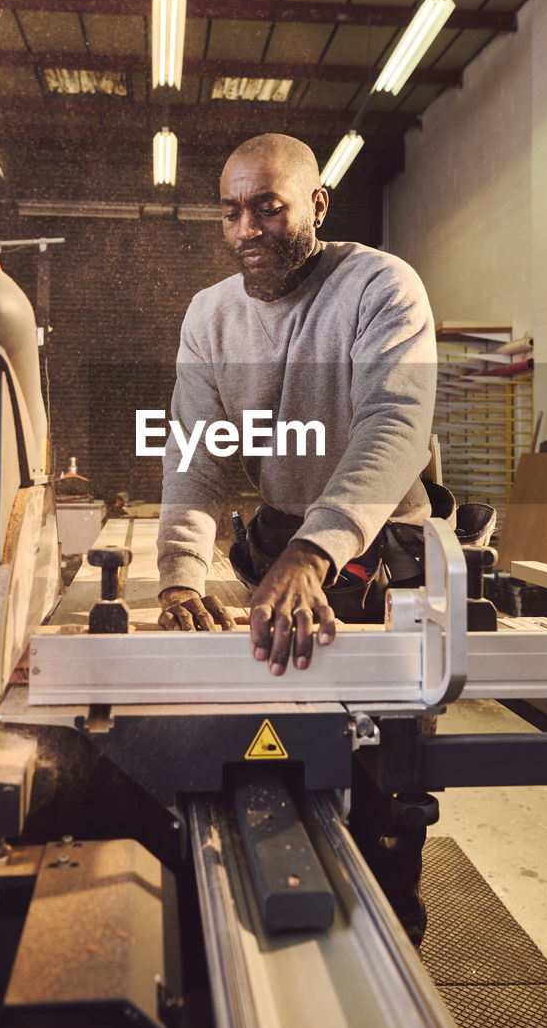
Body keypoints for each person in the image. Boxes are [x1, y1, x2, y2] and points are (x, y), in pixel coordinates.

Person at [155, 132, 445, 943]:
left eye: (268, 207)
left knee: (384, 771)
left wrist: (317, 551)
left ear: (317, 203)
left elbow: (394, 424)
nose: (247, 228)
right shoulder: (210, 315)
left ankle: (394, 932)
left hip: (383, 548)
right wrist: (180, 574)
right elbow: (196, 456)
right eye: (231, 211)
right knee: (281, 742)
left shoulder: (379, 285)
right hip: (283, 541)